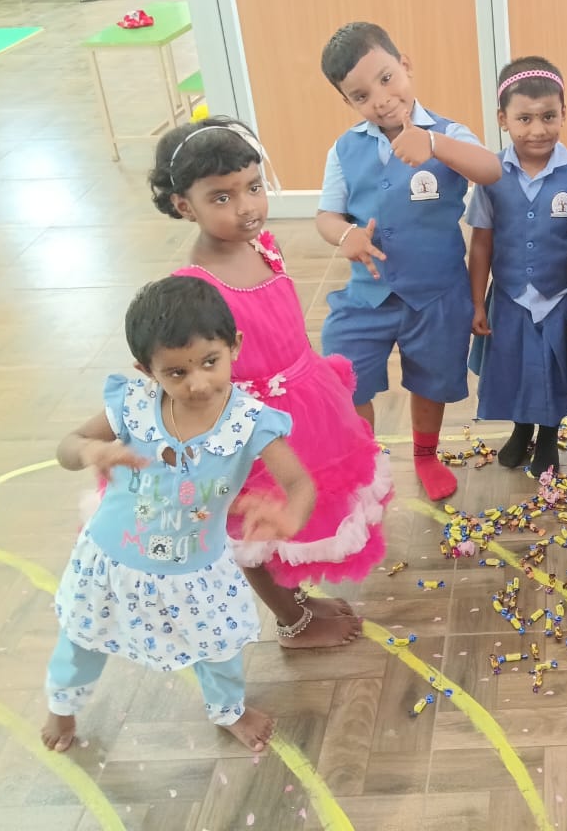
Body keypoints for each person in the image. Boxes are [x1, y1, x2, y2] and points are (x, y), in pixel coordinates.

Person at [40, 277, 315, 754]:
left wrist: (290, 518)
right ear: (146, 370)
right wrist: (89, 451)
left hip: (196, 573)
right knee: (80, 641)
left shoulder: (249, 421)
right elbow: (66, 447)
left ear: (234, 347)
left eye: (210, 361)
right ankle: (61, 707)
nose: (198, 383)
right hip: (109, 565)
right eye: (175, 372)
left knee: (220, 650)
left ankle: (228, 710)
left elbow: (300, 484)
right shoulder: (131, 404)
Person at [150, 117, 391, 648]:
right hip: (250, 428)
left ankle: (297, 599)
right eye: (222, 197)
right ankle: (291, 621)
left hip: (308, 402)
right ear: (184, 205)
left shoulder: (264, 245)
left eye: (253, 187)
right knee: (252, 532)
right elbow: (190, 373)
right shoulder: (195, 289)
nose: (246, 207)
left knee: (295, 514)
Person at [315, 22, 502, 502]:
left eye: (386, 79)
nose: (380, 100)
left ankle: (425, 455)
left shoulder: (449, 133)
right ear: (346, 101)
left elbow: (491, 169)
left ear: (405, 65)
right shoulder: (344, 149)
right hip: (368, 294)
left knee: (431, 379)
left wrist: (434, 145)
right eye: (361, 95)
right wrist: (347, 235)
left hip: (436, 294)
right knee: (343, 374)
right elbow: (327, 216)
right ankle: (364, 459)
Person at [466, 57, 567, 475]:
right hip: (510, 297)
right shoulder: (490, 175)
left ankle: (548, 438)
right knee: (514, 368)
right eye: (524, 118)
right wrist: (477, 303)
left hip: (559, 299)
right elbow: (481, 243)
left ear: (563, 114)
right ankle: (521, 430)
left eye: (549, 116)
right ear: (503, 119)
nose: (538, 130)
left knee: (551, 371)